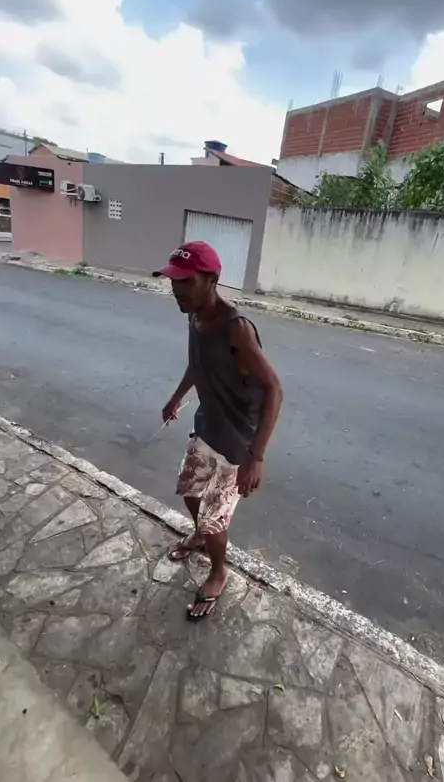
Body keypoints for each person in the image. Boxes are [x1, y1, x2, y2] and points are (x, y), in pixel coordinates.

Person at [154, 240, 283, 621]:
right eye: (173, 281)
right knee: (189, 490)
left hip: (237, 440)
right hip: (207, 426)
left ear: (212, 280)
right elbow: (198, 361)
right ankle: (199, 536)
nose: (177, 289)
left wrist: (256, 456)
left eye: (186, 281)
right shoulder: (194, 314)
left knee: (214, 519)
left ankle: (218, 572)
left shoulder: (236, 329)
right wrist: (176, 397)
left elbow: (274, 389)